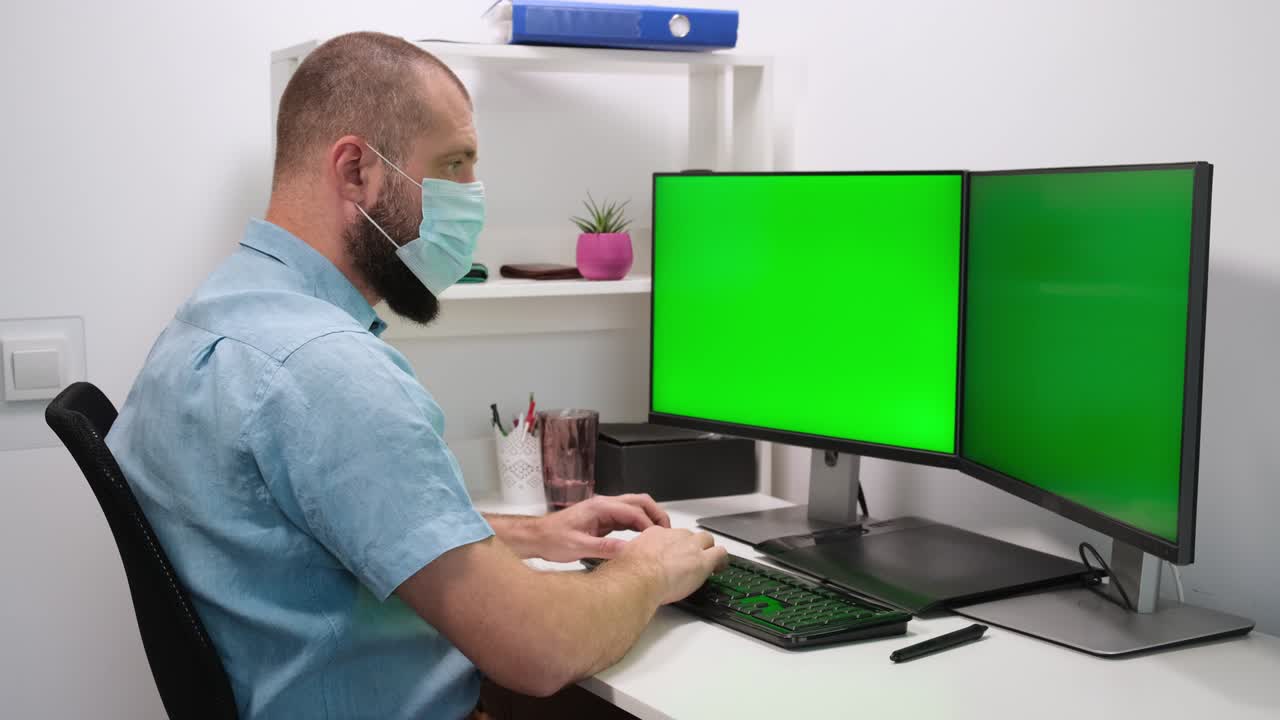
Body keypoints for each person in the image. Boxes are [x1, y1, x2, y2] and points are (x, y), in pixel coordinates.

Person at [106, 31, 726, 719]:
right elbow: (540, 651)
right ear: (355, 172)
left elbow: (310, 526)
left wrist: (528, 535)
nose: (471, 201)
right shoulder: (328, 372)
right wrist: (650, 569)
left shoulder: (212, 319)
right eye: (453, 165)